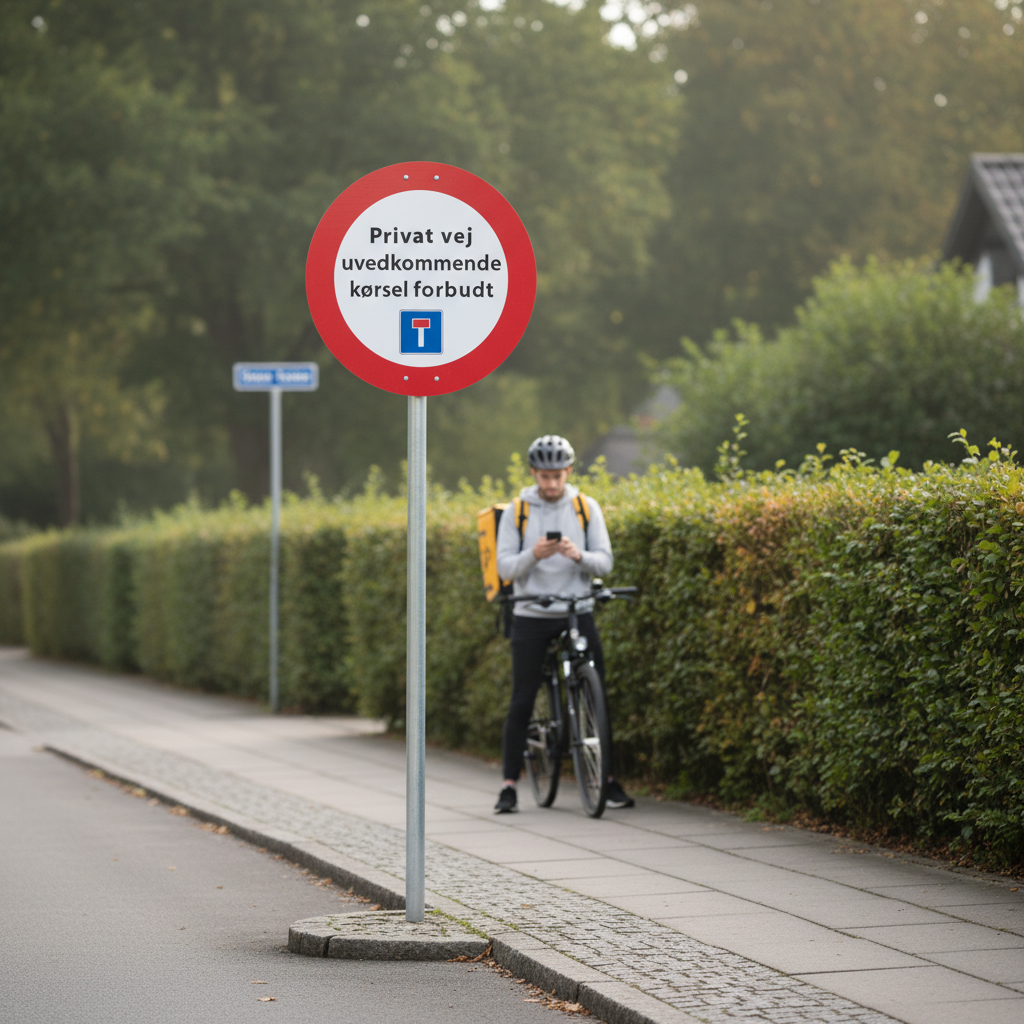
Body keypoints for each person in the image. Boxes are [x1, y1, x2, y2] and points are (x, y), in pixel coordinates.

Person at [493, 434, 633, 814]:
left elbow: (605, 562)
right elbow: (504, 567)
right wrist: (533, 555)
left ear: (569, 472)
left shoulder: (586, 507)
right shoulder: (517, 511)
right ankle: (509, 785)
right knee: (522, 698)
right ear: (534, 474)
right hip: (531, 613)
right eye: (544, 476)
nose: (551, 484)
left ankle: (605, 779)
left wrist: (578, 555)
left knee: (595, 692)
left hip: (576, 610)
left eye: (557, 476)